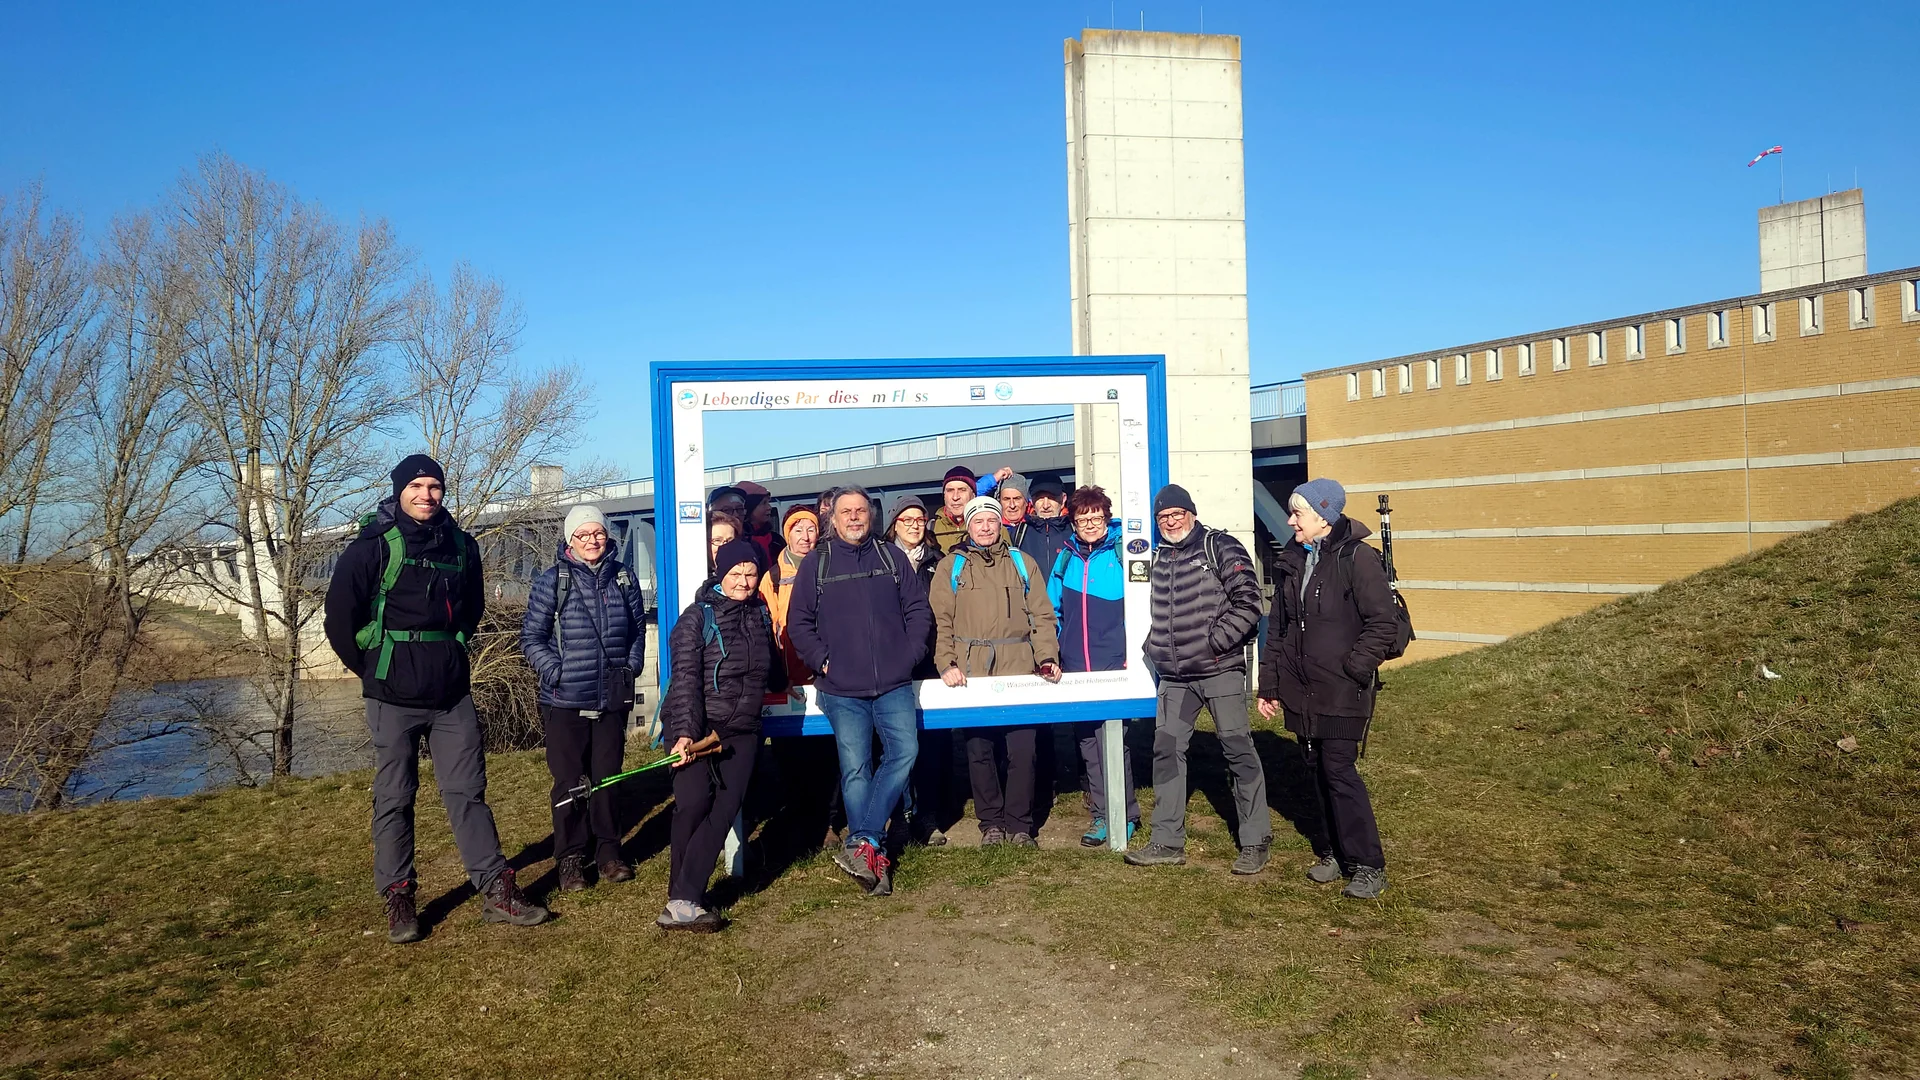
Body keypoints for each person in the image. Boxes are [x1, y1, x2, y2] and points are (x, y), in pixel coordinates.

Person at [323, 454, 548, 943]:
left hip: (451, 695)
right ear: (400, 490)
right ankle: (399, 895)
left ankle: (495, 890)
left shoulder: (462, 546)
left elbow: (472, 607)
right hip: (391, 694)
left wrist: (452, 650)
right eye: (417, 486)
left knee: (468, 793)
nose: (426, 495)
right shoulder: (371, 549)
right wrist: (373, 669)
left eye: (435, 487)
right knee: (394, 798)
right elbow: (339, 620)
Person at [788, 485, 933, 897]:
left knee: (904, 752)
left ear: (871, 515)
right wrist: (824, 661)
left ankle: (863, 841)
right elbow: (799, 623)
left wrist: (909, 653)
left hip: (892, 682)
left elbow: (917, 609)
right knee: (856, 769)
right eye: (845, 512)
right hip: (840, 687)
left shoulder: (891, 557)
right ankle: (874, 857)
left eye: (860, 511)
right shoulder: (817, 562)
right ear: (832, 519)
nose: (854, 517)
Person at [1257, 479, 1398, 900]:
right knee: (1315, 768)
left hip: (1341, 688)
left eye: (1297, 513)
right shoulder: (1294, 560)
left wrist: (1353, 668)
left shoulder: (1357, 558)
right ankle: (1334, 852)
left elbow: (1382, 624)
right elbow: (1278, 629)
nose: (1289, 521)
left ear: (1323, 515)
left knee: (1338, 770)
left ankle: (1368, 864)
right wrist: (1270, 684)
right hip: (1302, 687)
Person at [1124, 484, 1271, 874]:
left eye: (1176, 513)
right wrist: (1152, 648)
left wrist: (1215, 642)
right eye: (1162, 517)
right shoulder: (1156, 556)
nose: (1170, 521)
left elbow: (1250, 601)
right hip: (1174, 677)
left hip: (1219, 669)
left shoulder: (1219, 546)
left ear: (1190, 512)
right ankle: (1167, 841)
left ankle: (1255, 839)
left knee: (1238, 750)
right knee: (1166, 754)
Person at [658, 539, 787, 931]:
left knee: (723, 811)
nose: (745, 582)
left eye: (751, 574)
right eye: (737, 574)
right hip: (696, 729)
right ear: (721, 574)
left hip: (743, 730)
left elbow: (770, 664)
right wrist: (683, 733)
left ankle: (684, 897)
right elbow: (684, 681)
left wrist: (789, 682)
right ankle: (681, 892)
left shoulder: (759, 613)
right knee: (693, 804)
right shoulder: (696, 618)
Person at [519, 504, 649, 893]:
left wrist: (632, 664)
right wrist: (556, 672)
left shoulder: (624, 578)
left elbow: (638, 630)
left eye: (598, 534)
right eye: (583, 535)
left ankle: (609, 852)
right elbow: (532, 638)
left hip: (611, 694)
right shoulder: (551, 581)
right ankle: (571, 858)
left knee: (608, 777)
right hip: (564, 701)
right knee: (569, 781)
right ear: (570, 539)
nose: (592, 541)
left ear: (608, 537)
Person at [932, 496, 1063, 846]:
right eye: (979, 522)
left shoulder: (1023, 563)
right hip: (972, 671)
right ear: (968, 526)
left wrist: (1047, 656)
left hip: (1019, 668)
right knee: (979, 750)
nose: (986, 527)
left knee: (1023, 750)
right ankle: (991, 823)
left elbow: (1042, 616)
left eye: (992, 520)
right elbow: (941, 622)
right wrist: (946, 662)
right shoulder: (951, 567)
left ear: (1001, 523)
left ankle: (1020, 825)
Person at [1046, 485, 1140, 847]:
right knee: (1087, 743)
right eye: (1083, 518)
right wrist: (1054, 654)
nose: (1089, 524)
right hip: (1075, 667)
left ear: (1107, 517)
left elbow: (1138, 608)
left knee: (1114, 741)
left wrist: (1132, 653)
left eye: (1096, 517)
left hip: (1113, 663)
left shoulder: (1121, 552)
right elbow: (1054, 611)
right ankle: (1102, 815)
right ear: (1073, 520)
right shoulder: (1066, 558)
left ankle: (1126, 814)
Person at [886, 493, 951, 845]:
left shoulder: (938, 562)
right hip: (892, 664)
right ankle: (899, 815)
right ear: (894, 524)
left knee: (932, 743)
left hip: (930, 662)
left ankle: (928, 815)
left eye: (918, 519)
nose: (913, 526)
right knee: (895, 744)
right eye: (905, 520)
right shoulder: (880, 560)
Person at [759, 505, 820, 687]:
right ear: (788, 535)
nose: (806, 537)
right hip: (787, 673)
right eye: (798, 530)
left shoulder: (829, 569)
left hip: (824, 672)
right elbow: (764, 629)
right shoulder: (773, 577)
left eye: (811, 530)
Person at [1015, 473, 1072, 577]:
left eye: (1051, 497)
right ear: (1031, 501)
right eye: (1040, 498)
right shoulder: (1018, 534)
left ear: (1063, 499)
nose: (1046, 505)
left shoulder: (1075, 532)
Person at [736, 481, 783, 566]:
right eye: (764, 503)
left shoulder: (777, 541)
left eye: (768, 503)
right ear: (749, 507)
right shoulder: (736, 540)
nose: (769, 507)